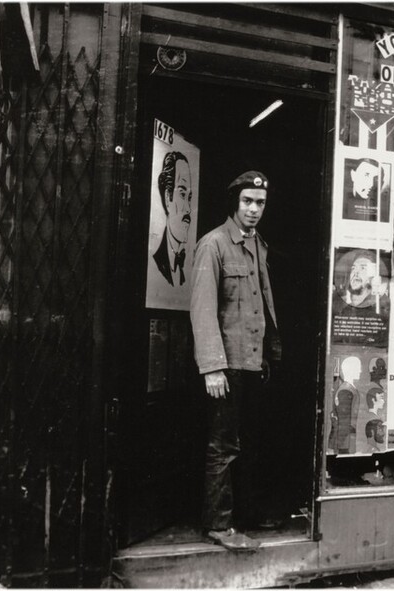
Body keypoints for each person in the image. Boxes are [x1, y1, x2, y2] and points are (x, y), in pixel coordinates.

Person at [190, 170, 281, 552]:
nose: (254, 209)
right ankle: (218, 523)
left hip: (252, 362)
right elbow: (202, 309)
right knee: (223, 445)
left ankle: (248, 512)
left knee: (251, 442)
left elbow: (264, 302)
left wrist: (271, 354)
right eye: (247, 201)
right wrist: (212, 367)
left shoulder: (258, 244)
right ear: (235, 203)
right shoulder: (213, 244)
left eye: (260, 202)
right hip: (226, 366)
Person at [153, 151, 193, 286]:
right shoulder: (158, 263)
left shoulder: (182, 271)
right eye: (182, 194)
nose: (188, 208)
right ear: (167, 198)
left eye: (190, 197)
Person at [330, 356, 361, 454]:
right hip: (345, 444)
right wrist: (344, 449)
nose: (360, 370)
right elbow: (344, 422)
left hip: (346, 442)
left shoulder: (348, 388)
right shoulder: (346, 390)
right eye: (358, 367)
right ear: (350, 370)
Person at [342, 158, 387, 222]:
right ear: (353, 175)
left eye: (376, 179)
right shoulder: (341, 201)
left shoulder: (383, 208)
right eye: (366, 175)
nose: (371, 184)